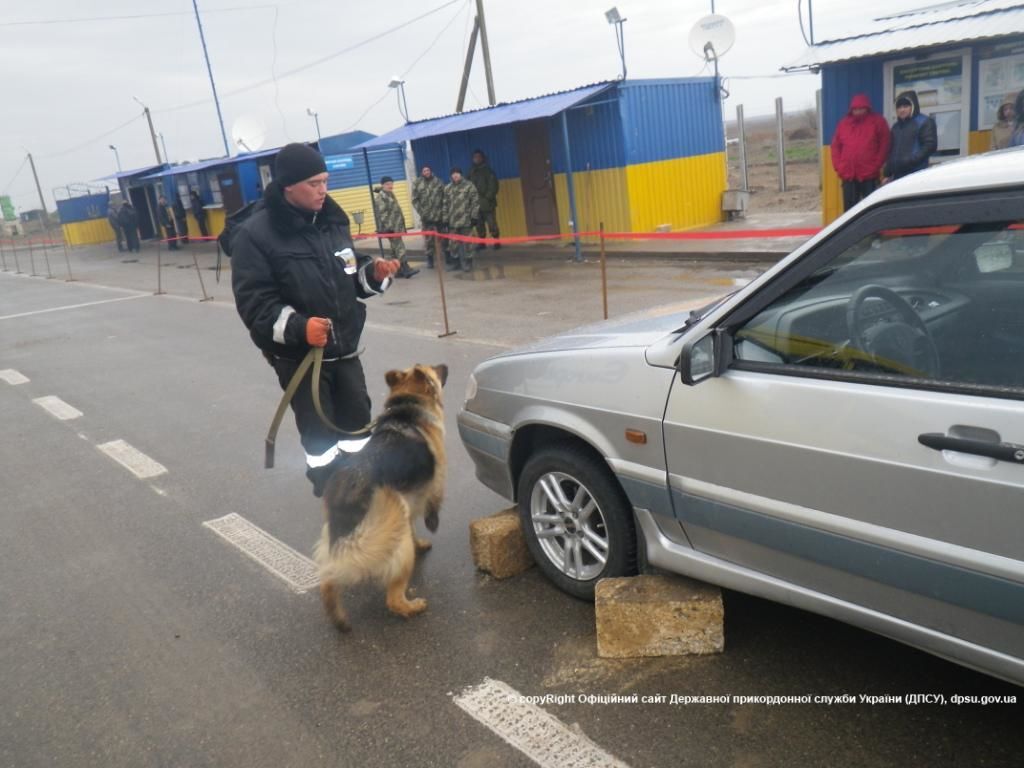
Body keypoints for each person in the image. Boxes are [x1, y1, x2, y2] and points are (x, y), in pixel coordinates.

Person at [230, 143, 401, 497]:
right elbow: (255, 305)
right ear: (288, 185)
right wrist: (300, 328)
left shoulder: (332, 222)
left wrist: (375, 275)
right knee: (321, 440)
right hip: (302, 360)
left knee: (357, 430)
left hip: (345, 351)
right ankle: (333, 496)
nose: (323, 190)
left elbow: (350, 276)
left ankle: (362, 491)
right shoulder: (256, 236)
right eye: (314, 183)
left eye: (325, 181)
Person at [830, 93, 890, 211]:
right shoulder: (843, 123)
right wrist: (839, 167)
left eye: (861, 108)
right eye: (855, 109)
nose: (858, 111)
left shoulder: (878, 121)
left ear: (867, 108)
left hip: (869, 175)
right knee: (849, 212)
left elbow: (885, 144)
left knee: (871, 210)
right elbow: (835, 146)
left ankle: (873, 230)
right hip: (848, 175)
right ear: (851, 109)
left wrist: (876, 165)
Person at [882, 91, 937, 183]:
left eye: (906, 106)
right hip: (897, 177)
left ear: (913, 106)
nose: (902, 110)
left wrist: (910, 161)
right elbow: (891, 150)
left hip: (916, 175)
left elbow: (930, 146)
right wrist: (888, 172)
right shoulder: (896, 127)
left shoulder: (925, 122)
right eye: (899, 107)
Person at [373, 176, 418, 278]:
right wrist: (389, 227)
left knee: (394, 249)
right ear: (382, 185)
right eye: (387, 184)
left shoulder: (390, 194)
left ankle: (397, 271)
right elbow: (383, 214)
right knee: (400, 247)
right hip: (391, 228)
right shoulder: (381, 197)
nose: (390, 186)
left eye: (391, 183)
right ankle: (405, 268)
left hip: (396, 226)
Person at [443, 166, 480, 272]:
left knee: (468, 242)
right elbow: (445, 205)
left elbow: (475, 202)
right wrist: (445, 219)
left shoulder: (469, 186)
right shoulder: (448, 188)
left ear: (461, 174)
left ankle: (468, 262)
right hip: (453, 221)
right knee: (453, 243)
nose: (455, 175)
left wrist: (474, 216)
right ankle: (456, 263)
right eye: (453, 173)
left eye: (457, 173)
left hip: (466, 220)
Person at [411, 165, 447, 268]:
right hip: (427, 218)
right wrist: (422, 212)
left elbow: (445, 197)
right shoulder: (417, 184)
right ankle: (430, 259)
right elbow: (414, 200)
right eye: (424, 171)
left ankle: (448, 257)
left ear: (431, 171)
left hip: (439, 216)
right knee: (429, 240)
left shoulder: (438, 182)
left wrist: (443, 212)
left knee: (444, 238)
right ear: (422, 172)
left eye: (428, 170)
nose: (426, 172)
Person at [469, 149, 500, 250]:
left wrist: (487, 198)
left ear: (482, 158)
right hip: (475, 204)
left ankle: (496, 241)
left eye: (478, 157)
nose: (476, 159)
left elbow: (493, 186)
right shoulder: (471, 171)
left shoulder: (488, 171)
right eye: (475, 157)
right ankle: (482, 243)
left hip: (488, 203)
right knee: (479, 225)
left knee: (492, 224)